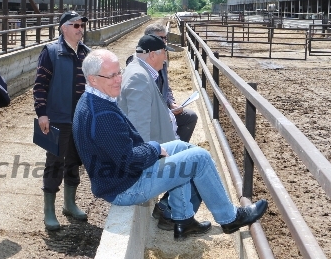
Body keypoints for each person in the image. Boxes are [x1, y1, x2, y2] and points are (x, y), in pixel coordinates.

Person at [72, 49, 268, 240]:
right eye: (111, 76)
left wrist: (153, 149)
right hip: (126, 186)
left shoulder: (92, 99)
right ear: (92, 79)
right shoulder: (102, 114)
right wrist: (154, 148)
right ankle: (230, 218)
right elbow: (129, 160)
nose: (118, 80)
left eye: (118, 72)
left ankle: (183, 220)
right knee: (200, 157)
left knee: (180, 147)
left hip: (119, 178)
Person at [119, 34, 203, 231]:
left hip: (157, 142)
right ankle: (173, 214)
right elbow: (139, 126)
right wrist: (150, 156)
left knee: (192, 157)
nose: (165, 59)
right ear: (153, 55)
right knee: (197, 165)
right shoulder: (140, 77)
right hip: (152, 148)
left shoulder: (144, 72)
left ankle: (170, 210)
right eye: (164, 53)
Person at [33, 10, 90, 230]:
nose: (80, 29)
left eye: (81, 25)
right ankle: (49, 211)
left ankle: (69, 204)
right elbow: (40, 85)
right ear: (63, 28)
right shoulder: (51, 52)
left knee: (74, 161)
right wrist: (42, 113)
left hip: (80, 118)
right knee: (54, 163)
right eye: (75, 25)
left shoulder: (87, 54)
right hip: (58, 117)